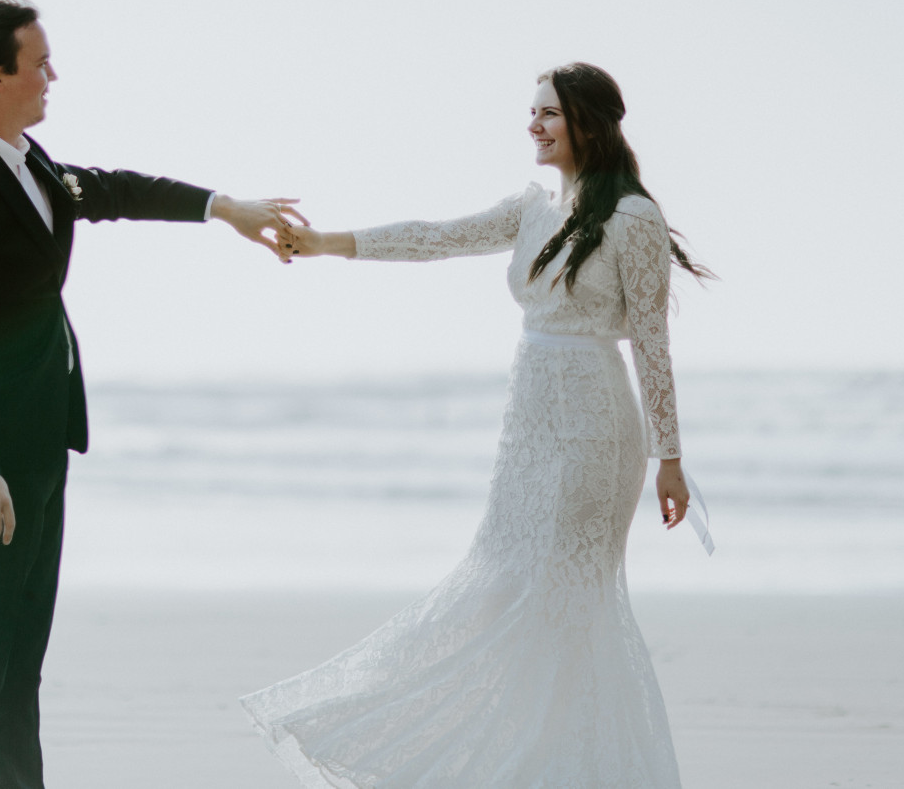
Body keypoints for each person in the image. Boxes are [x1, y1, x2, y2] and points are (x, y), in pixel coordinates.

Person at [242, 62, 713, 787]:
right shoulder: (531, 208)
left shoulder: (632, 219)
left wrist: (669, 457)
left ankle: (574, 766)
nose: (533, 125)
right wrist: (324, 242)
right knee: (502, 583)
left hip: (594, 423)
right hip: (527, 424)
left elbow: (651, 341)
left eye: (548, 113)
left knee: (565, 597)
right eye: (531, 113)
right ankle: (528, 759)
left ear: (588, 120)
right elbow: (435, 237)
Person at [0, 0, 303, 789]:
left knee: (20, 654)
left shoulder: (31, 162)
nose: (53, 73)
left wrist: (223, 208)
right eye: (39, 61)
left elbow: (114, 189)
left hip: (43, 436)